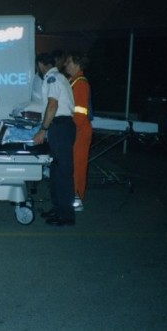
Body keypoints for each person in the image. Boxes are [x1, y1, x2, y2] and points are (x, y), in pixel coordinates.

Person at [32, 52, 76, 226]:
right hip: (60, 126)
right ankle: (58, 209)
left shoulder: (52, 78)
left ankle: (66, 215)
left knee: (63, 173)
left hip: (60, 126)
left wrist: (43, 130)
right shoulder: (57, 77)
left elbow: (52, 105)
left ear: (41, 65)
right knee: (56, 172)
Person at [65, 51, 93, 212]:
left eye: (69, 62)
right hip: (76, 130)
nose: (66, 65)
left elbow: (80, 112)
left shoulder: (80, 83)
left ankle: (77, 199)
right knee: (72, 165)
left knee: (77, 166)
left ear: (77, 64)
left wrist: (71, 131)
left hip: (79, 131)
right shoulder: (73, 81)